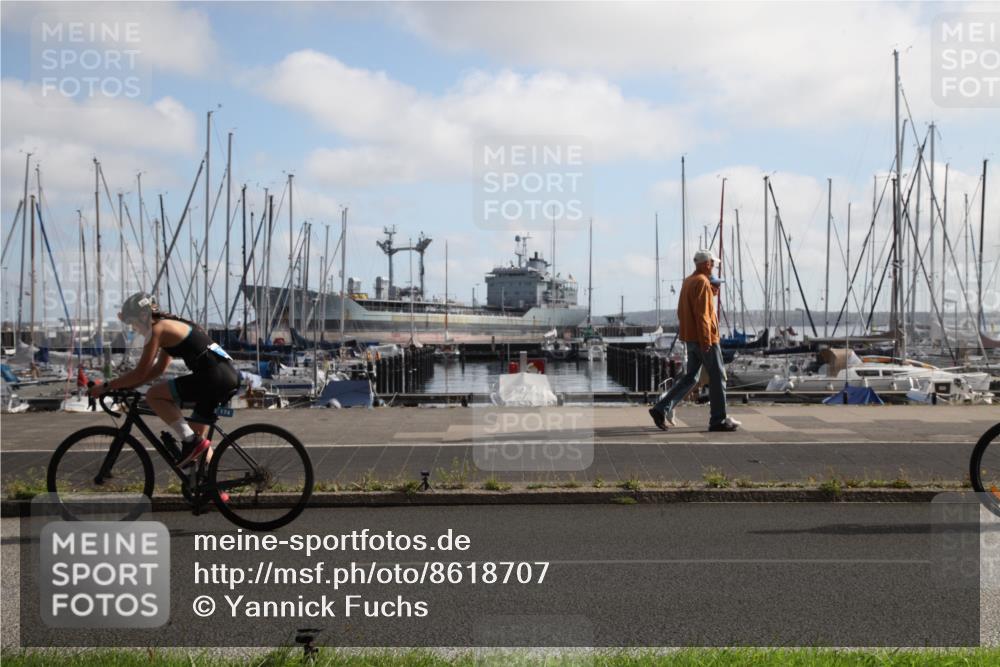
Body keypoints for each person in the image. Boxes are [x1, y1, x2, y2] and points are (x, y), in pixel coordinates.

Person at [88, 292, 240, 466]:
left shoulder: (157, 330)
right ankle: (214, 489)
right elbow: (158, 370)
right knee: (200, 451)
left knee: (154, 395)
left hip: (213, 378)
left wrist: (106, 386)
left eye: (132, 323)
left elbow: (140, 372)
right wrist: (128, 386)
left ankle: (190, 442)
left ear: (143, 316)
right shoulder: (170, 326)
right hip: (224, 377)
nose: (133, 328)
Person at [649, 249, 740, 432]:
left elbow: (682, 312)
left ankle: (661, 408)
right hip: (704, 339)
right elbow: (703, 315)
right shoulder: (702, 282)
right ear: (706, 264)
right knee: (718, 376)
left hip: (690, 338)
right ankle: (718, 420)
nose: (713, 267)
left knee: (691, 377)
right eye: (712, 264)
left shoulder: (688, 281)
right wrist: (707, 340)